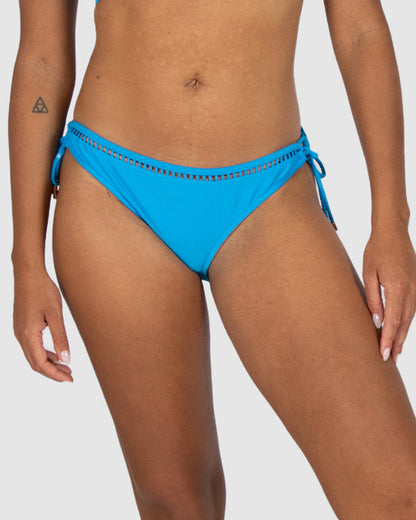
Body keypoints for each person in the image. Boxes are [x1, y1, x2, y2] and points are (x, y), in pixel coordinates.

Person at [9, 0, 416, 518]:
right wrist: (27, 259)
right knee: (178, 504)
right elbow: (42, 61)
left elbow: (360, 30)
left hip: (266, 193)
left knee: (399, 494)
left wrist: (391, 222)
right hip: (113, 190)